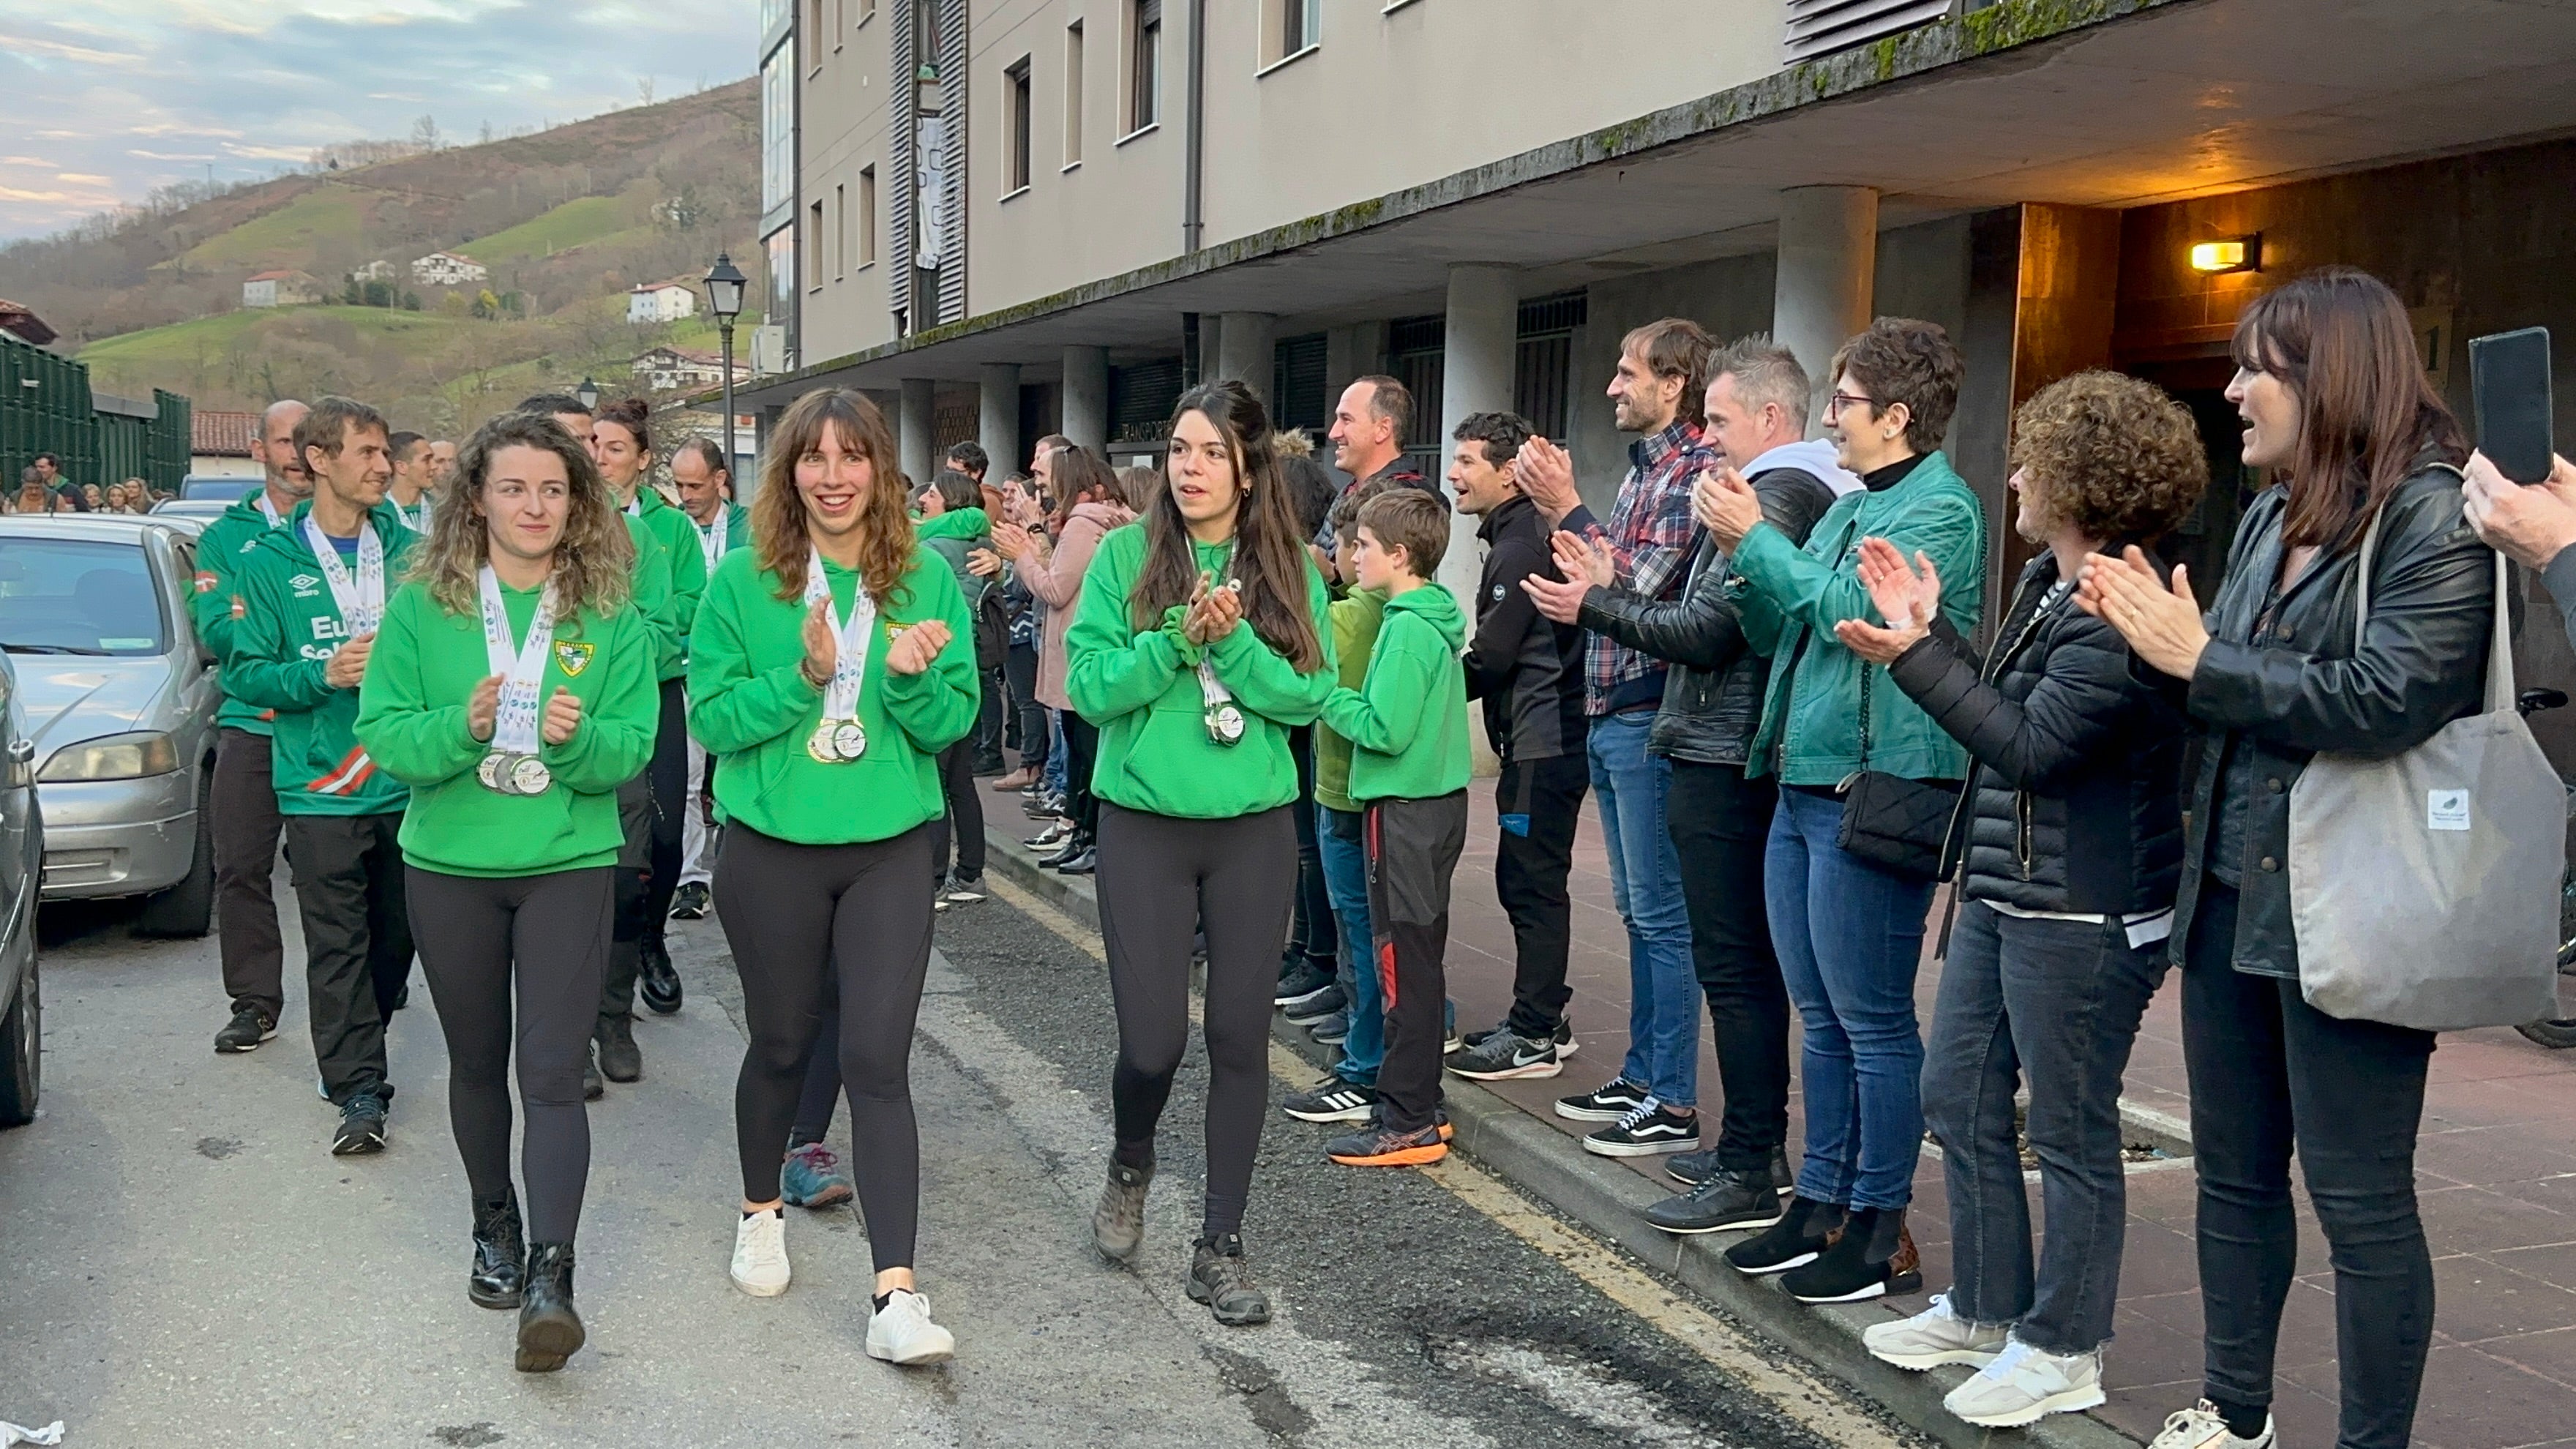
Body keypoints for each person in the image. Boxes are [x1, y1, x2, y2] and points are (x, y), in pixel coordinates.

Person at [2079, 268, 2493, 1449]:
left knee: (2361, 1206)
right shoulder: (2268, 515)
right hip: (2228, 896)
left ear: (2330, 378)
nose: (2232, 390)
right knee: (2237, 1179)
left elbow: (2392, 695)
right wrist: (2141, 642)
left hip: (2353, 908)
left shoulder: (2432, 512)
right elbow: (2215, 685)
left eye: (2256, 367)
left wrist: (2197, 657)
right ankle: (2236, 1413)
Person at [1841, 371, 2203, 1429]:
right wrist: (1930, 634)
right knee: (1957, 1098)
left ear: (2083, 480)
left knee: (2074, 1131)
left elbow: (2035, 748)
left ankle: (2064, 1346)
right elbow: (2007, 711)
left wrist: (1916, 655)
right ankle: (1990, 1308)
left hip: (2085, 912)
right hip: (2010, 891)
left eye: (2032, 460)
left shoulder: (2115, 602)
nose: (2013, 477)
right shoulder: (2056, 577)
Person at [352, 410, 656, 1374]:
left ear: (579, 506)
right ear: (475, 501)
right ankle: (496, 1225)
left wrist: (572, 744)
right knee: (478, 1064)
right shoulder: (424, 609)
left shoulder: (610, 615)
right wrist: (462, 723)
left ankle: (552, 1276)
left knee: (554, 1073)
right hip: (450, 866)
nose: (534, 505)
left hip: (567, 860)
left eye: (554, 489)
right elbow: (387, 733)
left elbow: (631, 749)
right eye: (514, 488)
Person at [1524, 340, 1848, 1229]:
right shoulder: (1764, 488)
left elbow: (1705, 629)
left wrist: (1591, 601)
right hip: (1715, 744)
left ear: (1771, 420)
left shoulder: (1773, 494)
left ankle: (1752, 1163)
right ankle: (1751, 1151)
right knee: (1728, 959)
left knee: (1736, 968)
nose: (1707, 436)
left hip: (1722, 751)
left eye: (1721, 418)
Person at [689, 386, 976, 1366]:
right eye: (813, 458)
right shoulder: (742, 582)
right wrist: (807, 678)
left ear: (880, 471)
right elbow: (713, 723)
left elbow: (950, 728)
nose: (834, 476)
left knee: (878, 1060)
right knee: (781, 1042)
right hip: (770, 848)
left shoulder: (927, 580)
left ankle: (896, 1291)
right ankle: (759, 1208)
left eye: (853, 457)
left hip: (890, 845)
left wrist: (906, 676)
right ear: (789, 473)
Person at [1704, 316, 1987, 1304]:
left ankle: (1882, 1227)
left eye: (1847, 404)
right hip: (1806, 769)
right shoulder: (1856, 500)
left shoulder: (1939, 510)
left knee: (1869, 1020)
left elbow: (1850, 614)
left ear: (1899, 415)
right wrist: (1746, 558)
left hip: (1877, 781)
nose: (1831, 420)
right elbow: (1786, 609)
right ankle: (1820, 1200)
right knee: (1821, 1014)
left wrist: (1763, 551)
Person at [1070, 379, 1333, 1327]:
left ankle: (1220, 1246)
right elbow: (1093, 688)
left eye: (1212, 452)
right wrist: (1180, 641)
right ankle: (1130, 1161)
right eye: (1180, 450)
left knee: (1236, 1038)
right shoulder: (1121, 556)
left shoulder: (1286, 563)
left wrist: (1241, 651)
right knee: (1153, 1041)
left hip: (1252, 831)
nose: (1190, 468)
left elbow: (1310, 694)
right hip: (1144, 824)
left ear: (1250, 466)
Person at [1511, 319, 1714, 1158]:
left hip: (1643, 711)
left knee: (1661, 916)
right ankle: (1641, 1073)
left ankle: (1670, 1097)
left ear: (1672, 384)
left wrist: (1565, 506)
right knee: (1637, 911)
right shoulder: (1646, 472)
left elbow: (1637, 584)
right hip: (1609, 710)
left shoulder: (1694, 472)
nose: (1612, 387)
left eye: (1627, 373)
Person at [225, 396, 419, 1155]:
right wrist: (322, 672)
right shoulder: (269, 563)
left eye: (384, 453)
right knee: (336, 942)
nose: (384, 465)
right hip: (320, 785)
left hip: (407, 779)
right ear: (319, 461)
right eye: (367, 453)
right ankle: (359, 1091)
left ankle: (355, 1040)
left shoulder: (413, 549)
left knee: (395, 942)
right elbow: (247, 673)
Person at [520, 394, 678, 1092]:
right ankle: (566, 1032)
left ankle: (611, 1018)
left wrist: (599, 640)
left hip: (605, 737)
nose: (588, 454)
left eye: (593, 441)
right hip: (516, 750)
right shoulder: (499, 541)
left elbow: (665, 632)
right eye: (570, 442)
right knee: (547, 895)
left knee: (620, 881)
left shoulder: (635, 540)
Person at [1311, 488, 1471, 1168]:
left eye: (1366, 546)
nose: (1355, 556)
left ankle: (1406, 1118)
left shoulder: (1404, 628)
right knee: (1419, 958)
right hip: (1433, 806)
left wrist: (1326, 693)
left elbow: (1384, 727)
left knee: (1399, 964)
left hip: (1402, 811)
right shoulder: (1428, 617)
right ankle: (1419, 1102)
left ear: (1399, 555)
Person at [1442, 409, 1592, 1082]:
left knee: (1531, 882)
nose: (1454, 473)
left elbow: (1495, 655)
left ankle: (1535, 1031)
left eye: (1469, 461)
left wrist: (1423, 695)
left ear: (1510, 472)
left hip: (1545, 741)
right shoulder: (1515, 536)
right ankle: (1541, 1017)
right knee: (1525, 878)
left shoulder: (1521, 543)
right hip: (1536, 739)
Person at [1277, 476, 1400, 1123]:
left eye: (1357, 547)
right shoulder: (1382, 612)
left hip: (1346, 794)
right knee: (1369, 935)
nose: (1349, 558)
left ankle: (1363, 1062)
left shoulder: (1350, 616)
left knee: (1360, 934)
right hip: (1349, 792)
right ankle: (1366, 1046)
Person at [200, 400, 312, 1054]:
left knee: (337, 871)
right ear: (259, 451)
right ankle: (254, 1001)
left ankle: (364, 982)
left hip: (328, 724)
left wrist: (260, 621)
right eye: (283, 440)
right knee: (239, 867)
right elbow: (216, 629)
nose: (296, 453)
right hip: (251, 723)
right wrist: (275, 634)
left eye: (307, 441)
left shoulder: (350, 528)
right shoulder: (225, 536)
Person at [591, 399, 703, 1035]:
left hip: (654, 689)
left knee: (661, 837)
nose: (600, 457)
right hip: (585, 699)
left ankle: (647, 940)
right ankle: (599, 969)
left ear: (641, 458)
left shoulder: (669, 529)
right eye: (593, 445)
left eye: (613, 447)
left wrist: (624, 643)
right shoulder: (567, 518)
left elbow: (685, 610)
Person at [993, 444, 1137, 875]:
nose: (1043, 485)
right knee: (1081, 753)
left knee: (1083, 754)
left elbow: (1056, 588)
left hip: (1078, 653)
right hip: (1094, 650)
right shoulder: (1109, 522)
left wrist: (1020, 558)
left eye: (1048, 478)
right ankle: (1082, 837)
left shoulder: (1081, 526)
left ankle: (1088, 838)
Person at [1271, 437, 1344, 1029]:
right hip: (1300, 722)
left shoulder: (1313, 573)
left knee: (1311, 848)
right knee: (1302, 845)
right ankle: (1303, 947)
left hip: (1311, 721)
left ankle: (1320, 955)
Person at [670, 435, 749, 924]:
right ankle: (690, 880)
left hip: (744, 672)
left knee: (739, 770)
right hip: (685, 670)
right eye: (678, 485)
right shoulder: (673, 532)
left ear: (721, 479)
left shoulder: (755, 528)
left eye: (695, 484)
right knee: (688, 780)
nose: (685, 495)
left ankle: (743, 867)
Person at [913, 469, 992, 906]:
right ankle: (971, 875)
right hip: (974, 666)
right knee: (962, 780)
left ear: (950, 502)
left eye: (933, 493)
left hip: (938, 666)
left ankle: (934, 880)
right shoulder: (985, 542)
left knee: (937, 779)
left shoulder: (932, 549)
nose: (925, 497)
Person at [1314, 376, 1429, 580]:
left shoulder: (1405, 502)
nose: (1333, 433)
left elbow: (1380, 593)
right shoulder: (1352, 490)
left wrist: (1331, 574)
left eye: (1346, 419)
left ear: (1383, 429)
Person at [387, 430, 437, 531]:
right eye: (426, 460)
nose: (434, 466)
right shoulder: (378, 513)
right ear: (401, 467)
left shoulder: (442, 511)